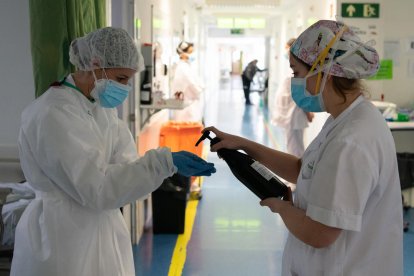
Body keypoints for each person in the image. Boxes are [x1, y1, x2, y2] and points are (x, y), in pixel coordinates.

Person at [11, 27, 216, 276]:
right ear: (95, 64)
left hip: (103, 228)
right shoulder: (53, 113)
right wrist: (162, 162)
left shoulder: (101, 109)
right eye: (120, 79)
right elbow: (98, 188)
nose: (125, 88)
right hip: (62, 237)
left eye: (128, 80)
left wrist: (165, 164)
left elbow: (125, 167)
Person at [204, 20, 403, 275]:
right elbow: (303, 169)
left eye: (296, 73)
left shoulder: (351, 139)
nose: (294, 82)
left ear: (324, 72)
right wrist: (243, 144)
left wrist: (283, 208)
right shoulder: (343, 119)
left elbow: (321, 233)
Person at [272, 39, 314, 191]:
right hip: (290, 118)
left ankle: (297, 181)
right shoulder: (293, 67)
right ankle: (296, 178)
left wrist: (308, 112)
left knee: (296, 150)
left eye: (287, 49)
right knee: (293, 147)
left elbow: (301, 95)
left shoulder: (300, 69)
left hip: (294, 117)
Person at [171, 41, 204, 122]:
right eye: (190, 52)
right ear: (182, 54)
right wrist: (200, 90)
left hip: (189, 105)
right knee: (188, 129)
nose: (192, 54)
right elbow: (192, 84)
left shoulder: (187, 66)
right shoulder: (183, 68)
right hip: (187, 107)